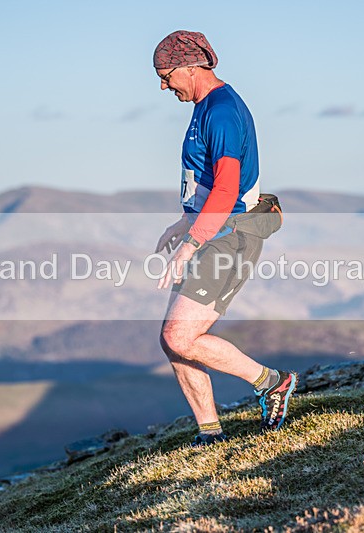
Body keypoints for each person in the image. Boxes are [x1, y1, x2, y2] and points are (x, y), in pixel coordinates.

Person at [153, 30, 297, 446]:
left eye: (165, 75)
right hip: (213, 228)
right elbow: (208, 181)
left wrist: (191, 243)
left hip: (229, 235)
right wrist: (185, 222)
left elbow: (228, 188)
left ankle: (272, 382)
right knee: (174, 341)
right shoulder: (204, 107)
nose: (163, 85)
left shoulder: (220, 111)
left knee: (180, 336)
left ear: (189, 68)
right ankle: (210, 432)